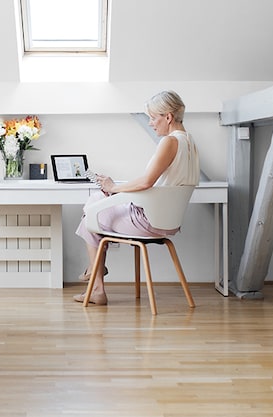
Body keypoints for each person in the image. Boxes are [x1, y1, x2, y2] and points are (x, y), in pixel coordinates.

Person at [73, 90, 200, 305]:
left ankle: (96, 280)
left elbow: (146, 182)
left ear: (167, 117)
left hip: (148, 222)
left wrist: (113, 188)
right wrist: (116, 190)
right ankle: (96, 272)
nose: (150, 123)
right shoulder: (190, 142)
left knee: (92, 209)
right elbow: (156, 185)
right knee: (96, 207)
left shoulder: (170, 142)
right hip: (168, 222)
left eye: (153, 117)